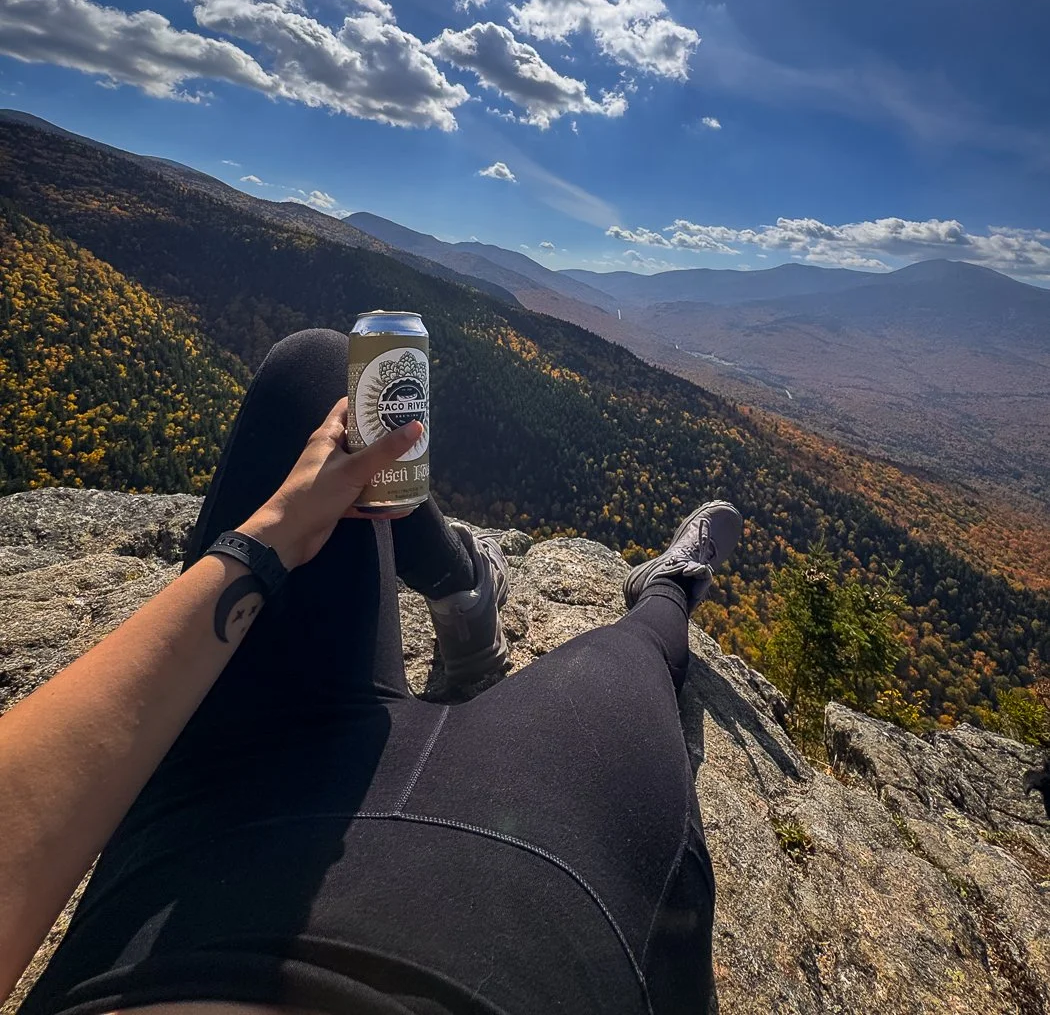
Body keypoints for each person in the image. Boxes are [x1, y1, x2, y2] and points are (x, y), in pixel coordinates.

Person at [2, 329, 742, 1015]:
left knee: (318, 371)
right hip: (518, 914)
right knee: (629, 663)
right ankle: (670, 588)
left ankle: (460, 588)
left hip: (197, 863)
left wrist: (280, 528)